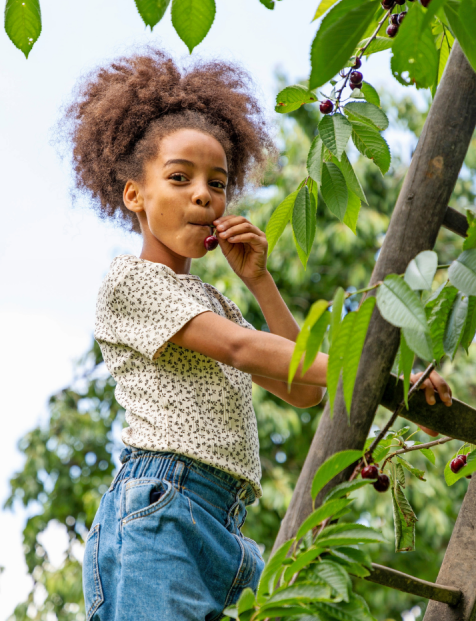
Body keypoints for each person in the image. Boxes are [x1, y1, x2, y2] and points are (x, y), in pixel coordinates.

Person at [57, 48, 453, 621]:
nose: (203, 195)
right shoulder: (131, 281)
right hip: (163, 511)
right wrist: (389, 382)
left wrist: (262, 281)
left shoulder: (216, 301)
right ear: (134, 195)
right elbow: (245, 350)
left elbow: (301, 389)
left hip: (226, 525)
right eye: (179, 178)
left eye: (217, 183)